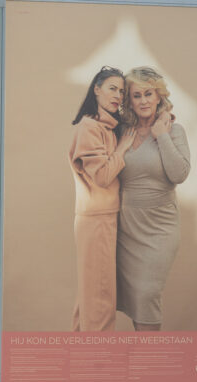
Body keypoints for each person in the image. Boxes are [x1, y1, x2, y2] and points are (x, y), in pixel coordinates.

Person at [117, 66, 190, 331]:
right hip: (125, 228)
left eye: (149, 93)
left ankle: (149, 364)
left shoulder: (173, 130)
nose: (144, 101)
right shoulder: (121, 131)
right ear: (130, 100)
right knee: (133, 297)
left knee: (147, 294)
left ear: (159, 96)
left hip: (160, 228)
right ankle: (144, 364)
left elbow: (179, 174)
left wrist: (161, 136)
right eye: (137, 95)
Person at [68, 66, 136, 331]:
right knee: (100, 298)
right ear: (96, 89)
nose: (118, 95)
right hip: (96, 220)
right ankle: (98, 364)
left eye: (121, 91)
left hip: (102, 218)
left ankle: (78, 363)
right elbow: (103, 177)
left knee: (90, 296)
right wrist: (122, 148)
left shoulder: (108, 127)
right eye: (112, 88)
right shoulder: (90, 127)